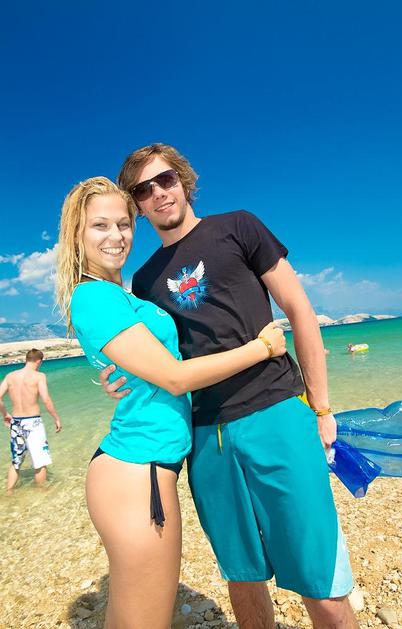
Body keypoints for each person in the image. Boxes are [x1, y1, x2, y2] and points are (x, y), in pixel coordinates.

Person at [101, 143, 360, 629]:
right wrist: (117, 378)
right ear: (137, 205)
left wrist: (322, 408)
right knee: (242, 578)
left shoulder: (238, 226)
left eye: (165, 180)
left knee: (320, 576)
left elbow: (299, 310)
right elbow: (156, 357)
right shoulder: (143, 280)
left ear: (183, 181)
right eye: (143, 190)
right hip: (206, 437)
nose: (158, 193)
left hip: (276, 411)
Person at [55, 176, 286, 629]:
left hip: (147, 468)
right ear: (76, 235)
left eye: (123, 224)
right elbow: (175, 378)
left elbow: (155, 368)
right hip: (136, 472)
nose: (116, 236)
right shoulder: (93, 296)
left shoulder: (120, 295)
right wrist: (262, 348)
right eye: (100, 225)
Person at [0, 348, 62, 493]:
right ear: (39, 361)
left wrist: (5, 414)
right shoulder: (39, 376)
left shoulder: (10, 376)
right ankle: (41, 494)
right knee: (40, 462)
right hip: (33, 423)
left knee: (16, 462)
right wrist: (56, 418)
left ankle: (9, 492)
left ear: (26, 359)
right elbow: (46, 400)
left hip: (16, 423)